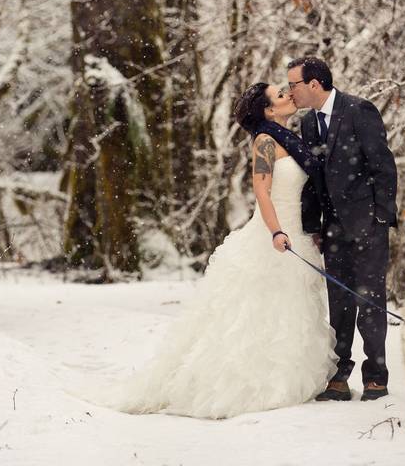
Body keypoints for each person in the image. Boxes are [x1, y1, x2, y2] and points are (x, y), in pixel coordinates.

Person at [107, 82, 337, 419]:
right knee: (250, 315)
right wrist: (276, 231)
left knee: (289, 311)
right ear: (269, 111)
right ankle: (240, 384)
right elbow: (262, 190)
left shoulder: (293, 139)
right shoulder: (266, 142)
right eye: (280, 94)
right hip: (274, 233)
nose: (289, 94)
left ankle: (283, 377)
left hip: (297, 233)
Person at [285, 56, 398, 402]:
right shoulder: (307, 124)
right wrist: (313, 225)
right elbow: (315, 178)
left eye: (294, 85)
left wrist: (381, 218)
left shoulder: (359, 110)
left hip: (368, 225)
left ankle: (376, 377)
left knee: (371, 300)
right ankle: (340, 375)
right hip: (332, 229)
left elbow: (383, 165)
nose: (290, 92)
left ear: (315, 84)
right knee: (340, 301)